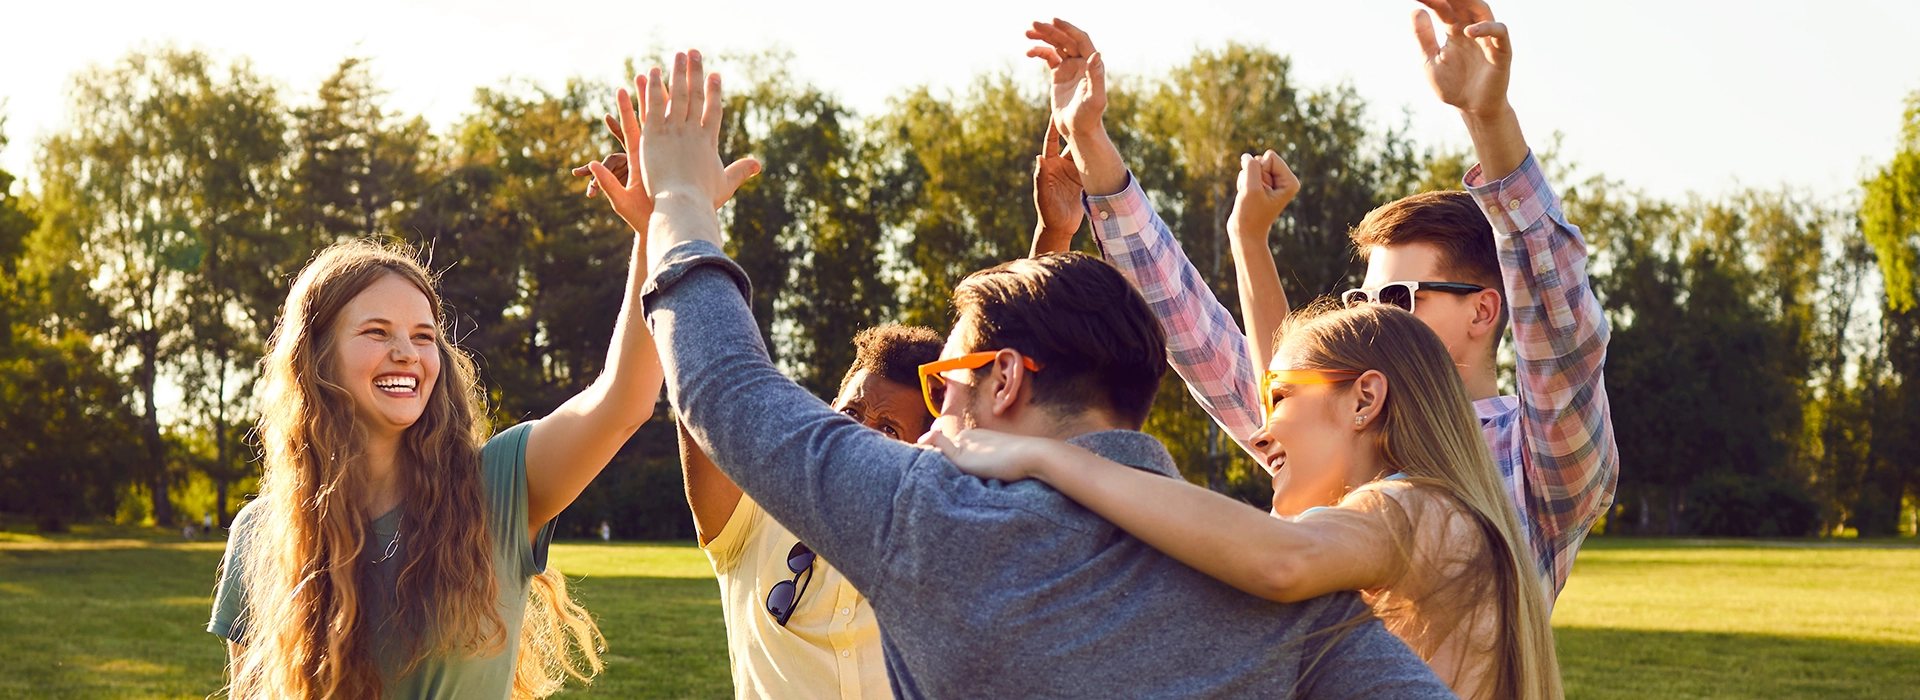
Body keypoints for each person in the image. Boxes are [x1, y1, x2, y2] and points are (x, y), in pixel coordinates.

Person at [605, 48, 1454, 698]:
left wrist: (681, 205)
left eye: (949, 381)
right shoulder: (1285, 579)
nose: (937, 415)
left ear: (1005, 380)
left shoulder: (929, 521)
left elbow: (726, 389)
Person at [1029, 5, 1617, 601]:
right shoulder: (1340, 425)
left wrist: (1488, 119)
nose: (1368, 317)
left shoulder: (1537, 462)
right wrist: (1092, 146)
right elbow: (1198, 338)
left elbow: (1558, 321)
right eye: (1360, 298)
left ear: (1484, 311)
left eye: (1397, 298)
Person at [209, 81, 760, 696]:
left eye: (424, 336)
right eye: (376, 331)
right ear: (316, 359)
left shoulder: (496, 487)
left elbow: (623, 400)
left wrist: (656, 227)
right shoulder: (262, 533)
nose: (407, 353)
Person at [931, 303, 1562, 699]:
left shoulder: (1420, 510)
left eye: (1282, 397)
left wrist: (1045, 456)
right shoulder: (1445, 519)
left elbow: (1280, 561)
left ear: (1366, 401)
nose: (1261, 433)